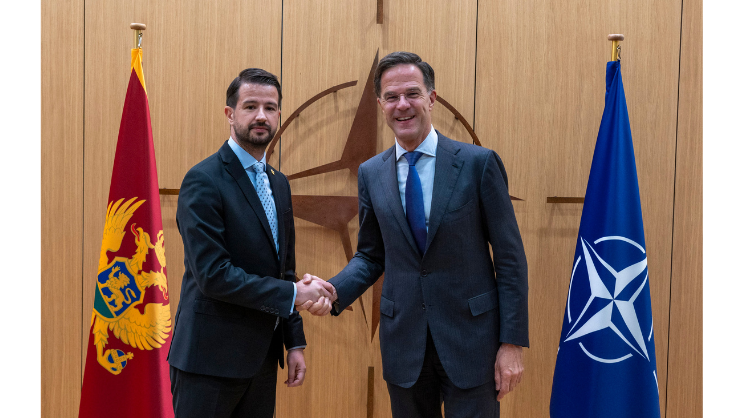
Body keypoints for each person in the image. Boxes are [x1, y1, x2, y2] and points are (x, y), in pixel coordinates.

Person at [304, 52, 529, 417]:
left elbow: (510, 259)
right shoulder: (371, 173)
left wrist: (512, 343)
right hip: (405, 344)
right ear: (381, 105)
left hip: (472, 343)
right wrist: (333, 291)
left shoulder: (478, 164)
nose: (402, 105)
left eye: (412, 93)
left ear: (431, 98)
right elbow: (371, 255)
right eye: (391, 97)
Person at [168, 68, 335, 418]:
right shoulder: (203, 180)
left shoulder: (279, 183)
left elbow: (284, 269)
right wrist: (295, 294)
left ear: (279, 115)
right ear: (230, 114)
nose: (261, 116)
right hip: (208, 360)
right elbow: (213, 275)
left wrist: (294, 342)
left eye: (270, 108)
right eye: (251, 106)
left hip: (261, 359)